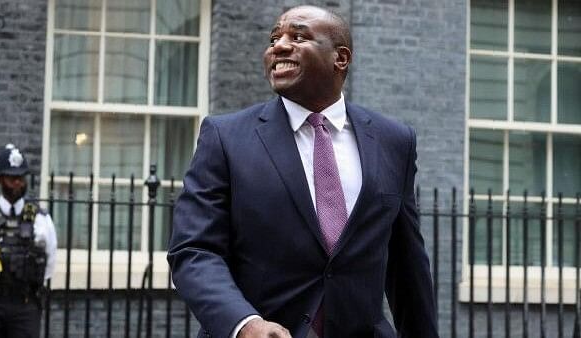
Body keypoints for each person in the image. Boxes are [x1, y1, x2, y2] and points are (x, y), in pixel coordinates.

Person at [168, 5, 438, 338]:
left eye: (298, 36)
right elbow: (194, 251)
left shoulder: (393, 140)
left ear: (340, 58)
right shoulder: (225, 138)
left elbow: (407, 266)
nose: (278, 46)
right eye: (273, 38)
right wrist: (244, 324)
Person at [0, 144, 57, 338]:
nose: (18, 183)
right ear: (0, 180)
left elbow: (49, 263)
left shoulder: (40, 219)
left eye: (21, 178)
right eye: (12, 178)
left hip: (25, 305)